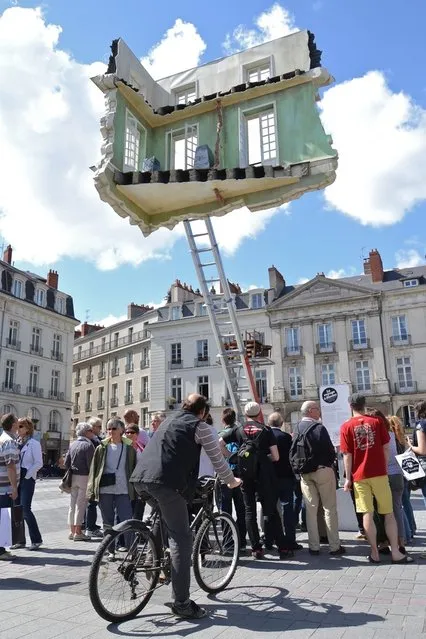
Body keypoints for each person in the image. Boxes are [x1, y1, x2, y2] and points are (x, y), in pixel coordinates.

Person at [130, 393, 241, 620]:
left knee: (163, 517)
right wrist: (231, 481)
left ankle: (154, 560)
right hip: (167, 482)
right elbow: (218, 459)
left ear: (183, 406)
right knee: (181, 539)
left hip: (140, 478)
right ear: (203, 412)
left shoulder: (169, 420)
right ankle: (182, 603)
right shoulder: (199, 426)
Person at [340, 393, 410, 564]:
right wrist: (383, 466)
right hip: (379, 473)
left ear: (350, 406)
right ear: (365, 405)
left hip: (359, 476)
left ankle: (374, 553)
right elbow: (386, 447)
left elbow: (347, 455)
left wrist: (348, 478)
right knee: (389, 513)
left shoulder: (346, 426)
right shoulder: (377, 422)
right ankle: (395, 552)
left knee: (367, 514)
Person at [220, 401, 291, 560]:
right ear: (259, 413)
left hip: (245, 473)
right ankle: (282, 547)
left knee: (249, 510)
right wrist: (265, 459)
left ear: (245, 414)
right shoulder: (265, 430)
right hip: (265, 473)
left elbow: (220, 443)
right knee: (270, 510)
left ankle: (256, 548)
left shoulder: (238, 429)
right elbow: (276, 456)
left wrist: (232, 457)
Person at [292, 401, 344, 556]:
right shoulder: (319, 428)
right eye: (317, 409)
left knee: (311, 510)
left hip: (304, 473)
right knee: (329, 509)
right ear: (311, 411)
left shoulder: (297, 428)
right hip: (322, 471)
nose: (319, 411)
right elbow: (329, 451)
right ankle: (334, 545)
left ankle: (314, 546)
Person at [87, 417, 136, 542]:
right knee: (107, 522)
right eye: (108, 428)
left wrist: (137, 489)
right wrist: (90, 491)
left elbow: (134, 468)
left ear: (121, 430)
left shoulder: (129, 448)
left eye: (114, 428)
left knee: (127, 520)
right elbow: (94, 470)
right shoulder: (101, 448)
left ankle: (131, 549)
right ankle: (110, 550)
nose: (110, 431)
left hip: (124, 489)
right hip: (105, 489)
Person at [268, 412, 302, 551]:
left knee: (270, 509)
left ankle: (269, 540)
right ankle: (290, 540)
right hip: (286, 477)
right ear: (282, 423)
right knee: (288, 508)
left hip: (270, 478)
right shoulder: (287, 437)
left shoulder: (265, 436)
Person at [10, 417, 43, 550]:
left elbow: (38, 463)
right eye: (17, 426)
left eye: (21, 427)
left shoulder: (34, 444)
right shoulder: (15, 442)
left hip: (27, 477)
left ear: (28, 428)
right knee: (16, 509)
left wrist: (28, 475)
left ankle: (36, 540)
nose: (18, 429)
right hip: (16, 477)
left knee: (25, 509)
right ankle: (19, 541)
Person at [219, 408, 247, 551]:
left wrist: (229, 455)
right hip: (240, 474)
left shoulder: (221, 435)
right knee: (241, 509)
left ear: (223, 420)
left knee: (225, 510)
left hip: (224, 476)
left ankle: (228, 542)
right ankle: (241, 541)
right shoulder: (239, 432)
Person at [64, 422, 95, 541]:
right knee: (81, 505)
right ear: (86, 432)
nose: (92, 433)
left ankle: (71, 531)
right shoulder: (88, 445)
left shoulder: (73, 444)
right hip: (84, 476)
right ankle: (78, 532)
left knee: (72, 504)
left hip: (73, 476)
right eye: (91, 430)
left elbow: (66, 462)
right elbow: (91, 464)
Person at [0, 413, 20, 560]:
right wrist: (14, 487)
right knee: (3, 519)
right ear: (13, 425)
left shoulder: (2, 439)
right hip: (4, 488)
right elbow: (11, 465)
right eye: (17, 423)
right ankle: (1, 551)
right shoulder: (8, 442)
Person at [84, 417, 104, 538]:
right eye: (99, 426)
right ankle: (90, 527)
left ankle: (89, 525)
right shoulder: (91, 442)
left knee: (90, 502)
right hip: (92, 475)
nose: (100, 429)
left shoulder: (95, 440)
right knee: (92, 502)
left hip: (90, 475)